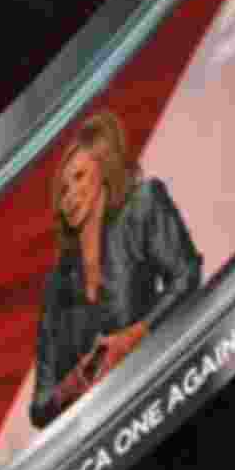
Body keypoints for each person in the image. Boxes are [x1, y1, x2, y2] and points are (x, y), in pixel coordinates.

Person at [29, 111, 202, 429]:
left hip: (165, 398)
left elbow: (188, 275)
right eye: (63, 190)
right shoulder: (57, 285)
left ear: (104, 172)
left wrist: (136, 334)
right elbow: (39, 407)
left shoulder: (142, 205)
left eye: (79, 177)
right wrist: (70, 386)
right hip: (103, 433)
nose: (69, 196)